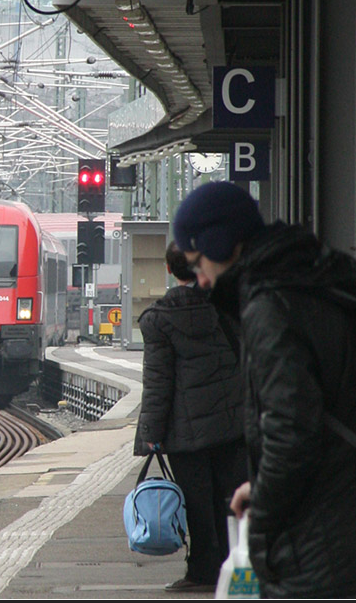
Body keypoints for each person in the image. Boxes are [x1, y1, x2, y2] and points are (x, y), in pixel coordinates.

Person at [170, 181, 356, 598]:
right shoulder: (310, 277)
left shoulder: (270, 306)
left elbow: (291, 432)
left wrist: (262, 529)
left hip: (322, 547)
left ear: (221, 244)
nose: (200, 280)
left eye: (197, 261)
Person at [135, 241, 247, 593]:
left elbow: (158, 383)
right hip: (232, 423)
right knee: (231, 499)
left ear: (169, 270)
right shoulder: (227, 307)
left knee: (196, 503)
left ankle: (202, 572)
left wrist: (150, 435)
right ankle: (237, 566)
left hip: (187, 431)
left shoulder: (159, 320)